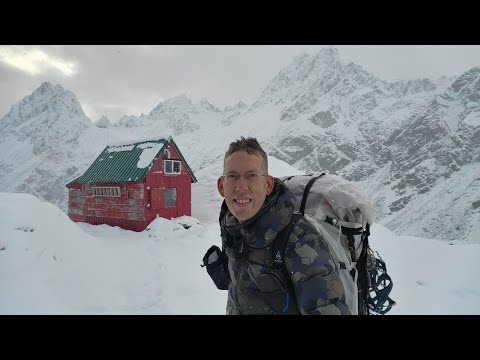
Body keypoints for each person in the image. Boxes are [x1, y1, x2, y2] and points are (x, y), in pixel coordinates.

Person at [202, 136, 351, 315]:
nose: (241, 187)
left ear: (268, 185)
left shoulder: (299, 238)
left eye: (251, 176)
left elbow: (327, 308)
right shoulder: (232, 228)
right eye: (232, 176)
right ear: (221, 186)